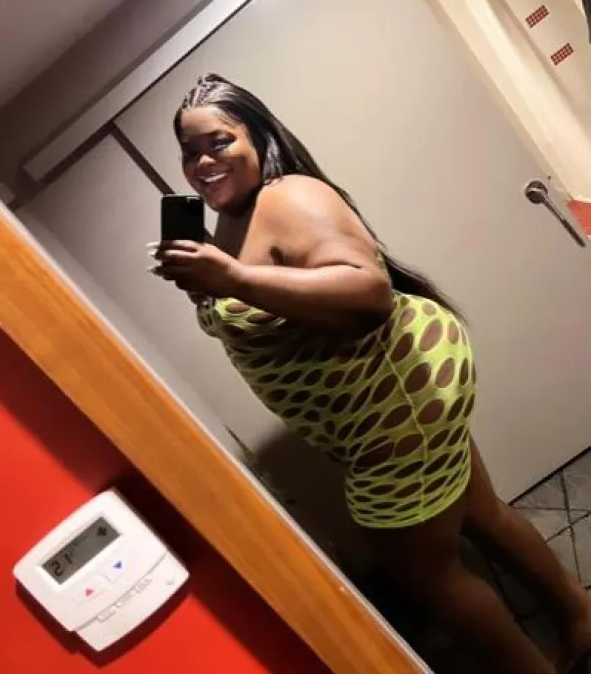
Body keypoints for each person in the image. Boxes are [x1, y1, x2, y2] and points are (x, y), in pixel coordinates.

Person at [149, 72, 591, 673]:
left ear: (258, 136)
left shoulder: (288, 198)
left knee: (428, 576)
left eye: (219, 141)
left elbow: (367, 293)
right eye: (190, 152)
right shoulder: (238, 216)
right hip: (395, 406)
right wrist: (213, 282)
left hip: (396, 412)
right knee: (480, 512)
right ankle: (578, 612)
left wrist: (232, 279)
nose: (203, 162)